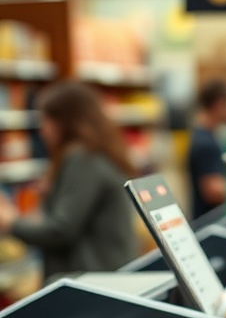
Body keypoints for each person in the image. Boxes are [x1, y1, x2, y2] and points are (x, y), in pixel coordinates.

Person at [0, 80, 137, 280]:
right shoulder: (100, 153)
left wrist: (10, 223)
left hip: (88, 282)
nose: (42, 130)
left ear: (64, 121)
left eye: (46, 120)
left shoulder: (82, 159)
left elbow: (61, 231)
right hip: (109, 275)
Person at [187, 78, 226, 220]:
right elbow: (213, 191)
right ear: (219, 104)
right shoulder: (206, 143)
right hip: (208, 223)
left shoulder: (205, 136)